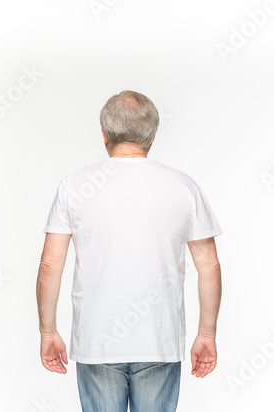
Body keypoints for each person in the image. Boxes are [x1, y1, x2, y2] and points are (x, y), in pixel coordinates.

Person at [36, 90, 223, 412]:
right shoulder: (183, 186)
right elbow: (210, 265)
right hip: (159, 339)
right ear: (153, 135)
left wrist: (48, 330)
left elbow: (50, 264)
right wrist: (206, 334)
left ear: (104, 133)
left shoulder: (74, 185)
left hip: (97, 339)